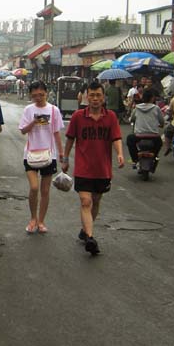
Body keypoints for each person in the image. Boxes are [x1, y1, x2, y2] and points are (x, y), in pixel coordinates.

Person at [62, 80, 123, 256]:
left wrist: (119, 153)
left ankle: (85, 229)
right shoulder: (78, 117)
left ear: (103, 98)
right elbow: (70, 139)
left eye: (98, 95)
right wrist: (65, 159)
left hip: (102, 169)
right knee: (85, 201)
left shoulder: (111, 117)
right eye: (92, 95)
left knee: (96, 201)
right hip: (83, 168)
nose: (95, 98)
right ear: (86, 97)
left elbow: (116, 138)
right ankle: (90, 237)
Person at [18, 80, 65, 234]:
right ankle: (32, 218)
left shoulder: (54, 110)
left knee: (45, 191)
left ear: (46, 93)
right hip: (30, 154)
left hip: (48, 155)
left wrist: (62, 153)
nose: (38, 98)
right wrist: (34, 121)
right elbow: (23, 131)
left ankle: (41, 221)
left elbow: (57, 133)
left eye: (41, 95)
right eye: (35, 95)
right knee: (34, 187)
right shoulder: (28, 110)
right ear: (31, 95)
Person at [126, 88, 165, 170]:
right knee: (159, 143)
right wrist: (161, 125)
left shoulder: (137, 108)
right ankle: (154, 156)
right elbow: (162, 121)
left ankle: (135, 159)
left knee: (129, 139)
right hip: (153, 136)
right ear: (152, 98)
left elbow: (132, 119)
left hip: (139, 136)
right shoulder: (156, 108)